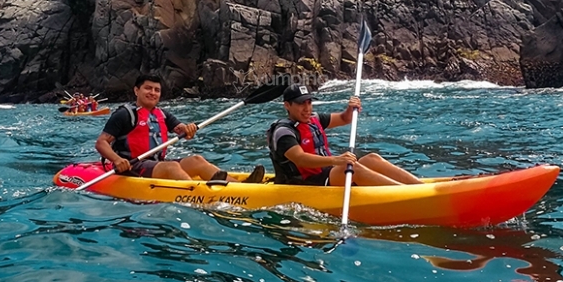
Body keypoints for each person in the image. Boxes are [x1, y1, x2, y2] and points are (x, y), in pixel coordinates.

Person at [96, 74, 264, 182]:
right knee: (172, 167)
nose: (153, 93)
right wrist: (117, 160)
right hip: (133, 167)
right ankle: (201, 193)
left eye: (157, 90)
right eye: (148, 88)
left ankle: (238, 186)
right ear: (136, 90)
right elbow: (101, 143)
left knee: (196, 160)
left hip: (156, 164)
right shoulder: (125, 114)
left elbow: (182, 130)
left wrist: (189, 129)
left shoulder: (162, 114)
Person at [267, 84, 423, 186]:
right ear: (287, 105)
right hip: (307, 183)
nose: (307, 108)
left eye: (309, 102)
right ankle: (410, 195)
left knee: (372, 158)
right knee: (351, 167)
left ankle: (420, 188)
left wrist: (351, 108)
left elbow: (344, 118)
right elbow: (301, 159)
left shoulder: (314, 119)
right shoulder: (284, 132)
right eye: (301, 103)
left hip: (328, 173)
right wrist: (336, 160)